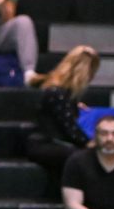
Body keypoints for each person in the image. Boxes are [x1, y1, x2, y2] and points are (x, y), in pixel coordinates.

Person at [25, 46, 101, 195]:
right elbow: (69, 128)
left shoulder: (63, 94)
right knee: (82, 157)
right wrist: (90, 143)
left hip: (53, 141)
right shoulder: (56, 92)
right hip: (44, 143)